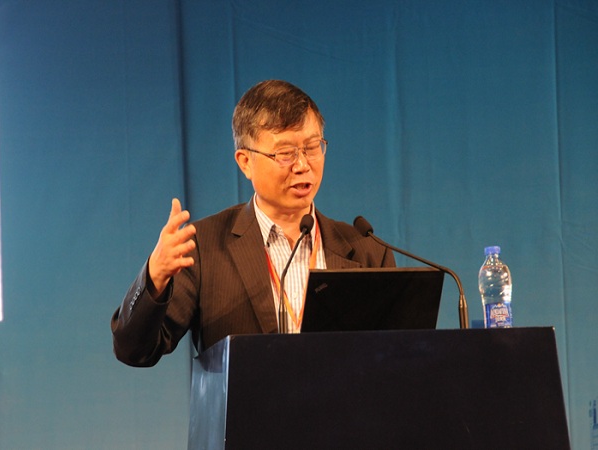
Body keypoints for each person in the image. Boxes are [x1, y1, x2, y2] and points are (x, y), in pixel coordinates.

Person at [111, 80, 395, 367]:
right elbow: (134, 350)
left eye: (311, 147)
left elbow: (397, 359)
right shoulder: (204, 249)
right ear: (245, 161)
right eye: (285, 153)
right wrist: (155, 276)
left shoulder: (367, 252)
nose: (302, 165)